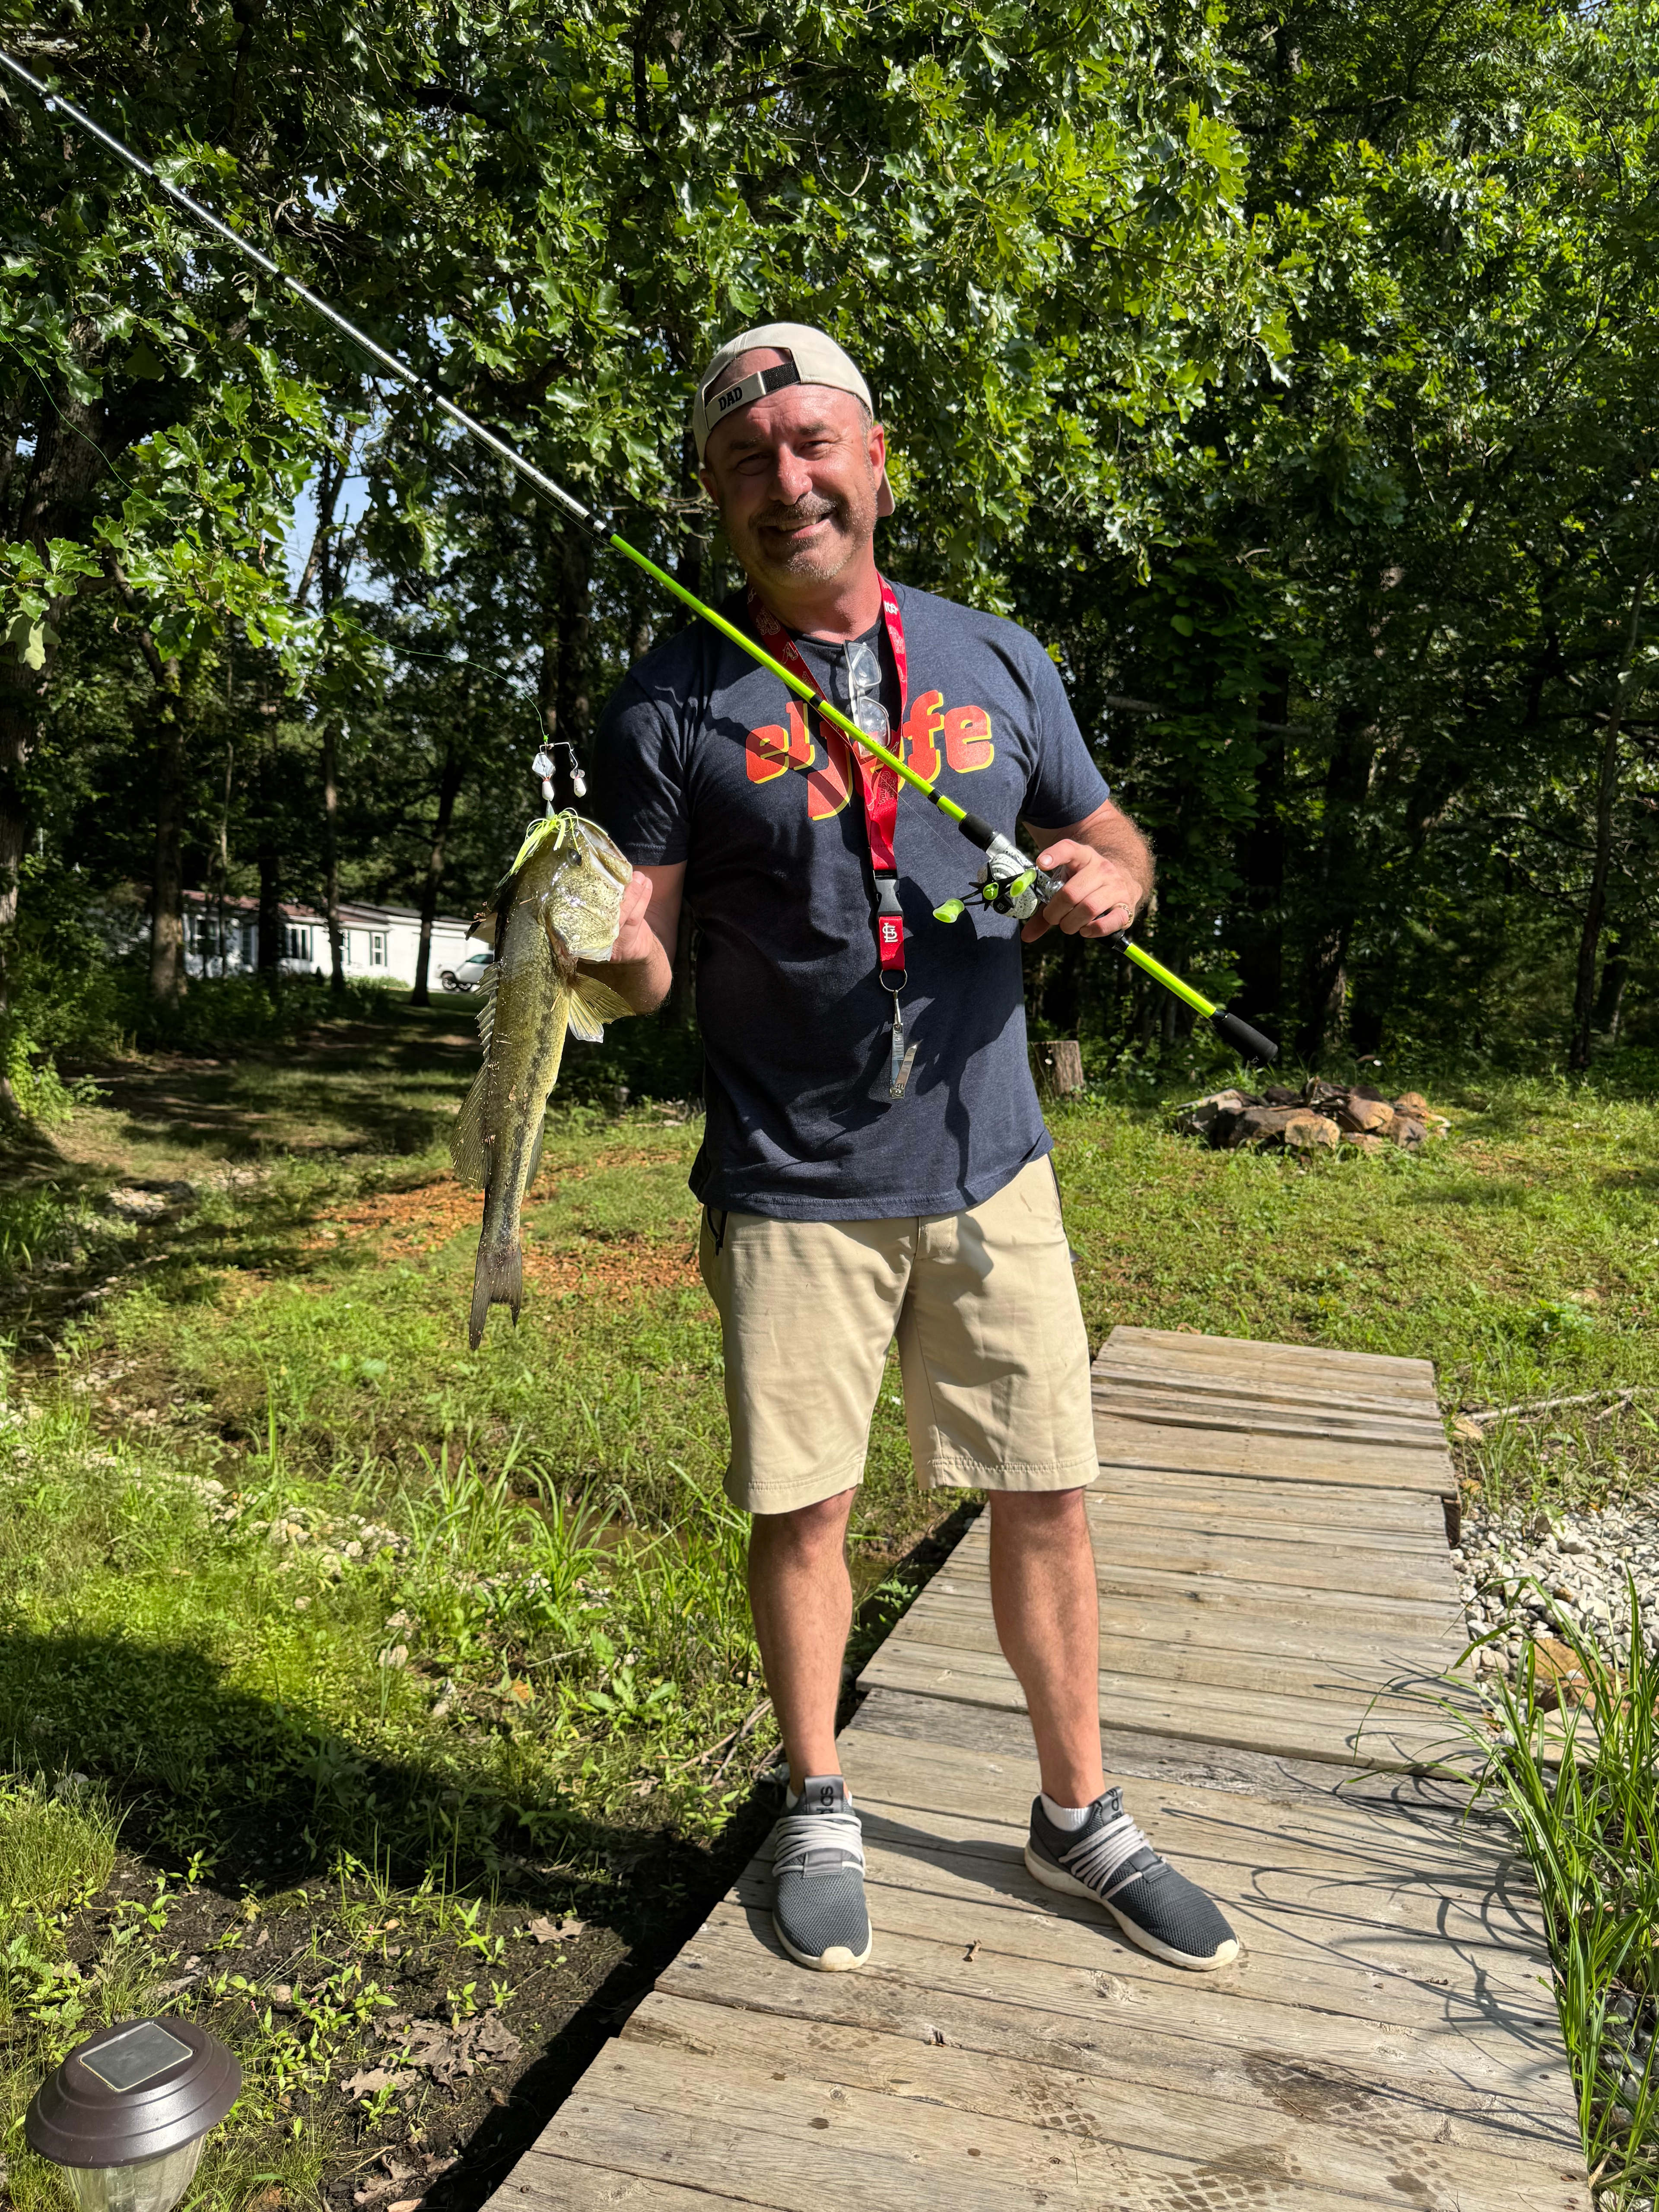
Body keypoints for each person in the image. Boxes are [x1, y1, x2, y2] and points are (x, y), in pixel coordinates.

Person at [587, 322, 1238, 1977]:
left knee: (1046, 1496)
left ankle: (1078, 1812)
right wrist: (597, 946)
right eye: (747, 462)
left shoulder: (996, 657)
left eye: (812, 444)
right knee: (806, 1508)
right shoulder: (668, 698)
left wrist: (1114, 883)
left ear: (874, 459)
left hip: (991, 1162)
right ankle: (816, 1795)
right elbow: (648, 966)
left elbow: (1100, 832)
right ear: (721, 498)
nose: (785, 480)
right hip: (793, 1180)